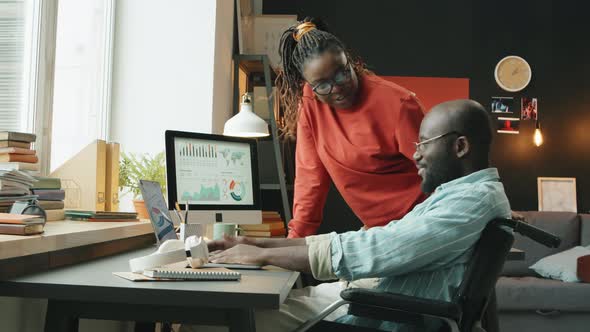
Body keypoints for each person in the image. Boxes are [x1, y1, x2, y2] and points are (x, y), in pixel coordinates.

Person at [187, 99, 512, 332]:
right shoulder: (461, 195)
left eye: (424, 142)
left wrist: (262, 255)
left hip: (376, 312)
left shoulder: (472, 201)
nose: (416, 153)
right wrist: (260, 247)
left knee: (221, 320)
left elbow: (380, 249)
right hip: (371, 299)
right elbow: (374, 239)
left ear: (460, 147)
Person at [275, 17, 426, 237]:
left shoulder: (399, 105)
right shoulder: (310, 103)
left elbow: (443, 173)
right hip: (380, 232)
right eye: (323, 85)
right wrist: (295, 239)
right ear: (309, 85)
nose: (337, 88)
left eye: (342, 73)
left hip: (420, 223)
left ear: (350, 60)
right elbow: (310, 178)